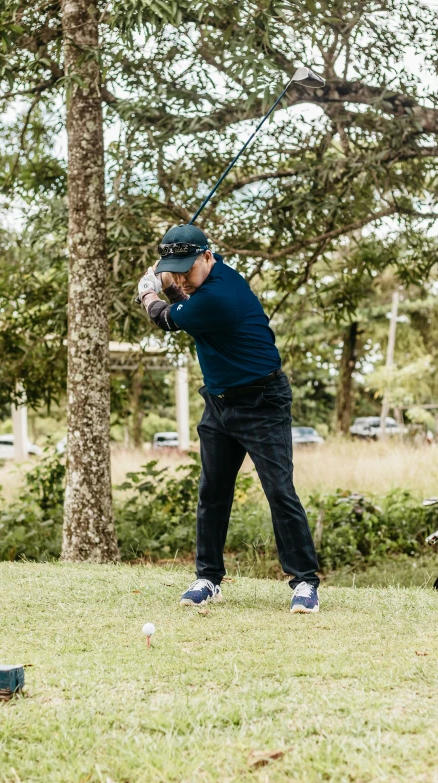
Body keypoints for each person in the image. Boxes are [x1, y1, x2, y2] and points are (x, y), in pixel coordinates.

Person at [137, 224, 320, 613]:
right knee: (212, 491)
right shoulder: (204, 288)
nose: (184, 276)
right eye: (177, 267)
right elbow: (186, 304)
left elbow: (167, 317)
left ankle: (304, 582)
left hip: (262, 403)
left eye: (189, 267)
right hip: (220, 403)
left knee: (279, 491)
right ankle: (208, 578)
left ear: (208, 256)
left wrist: (147, 289)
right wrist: (170, 282)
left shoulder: (222, 294)